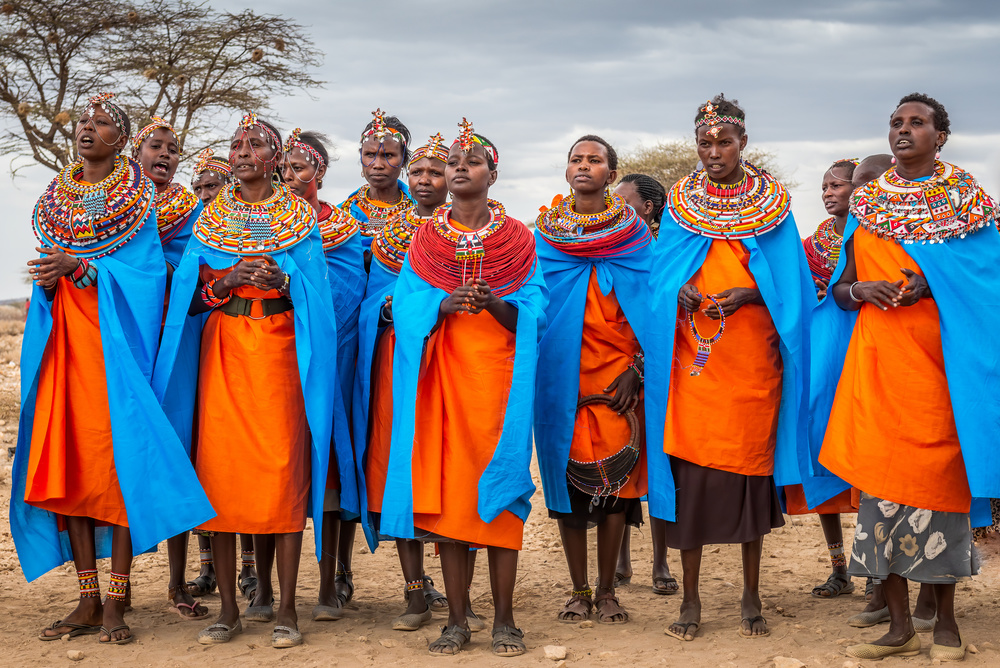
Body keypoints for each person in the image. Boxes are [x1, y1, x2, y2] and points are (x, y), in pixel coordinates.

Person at [11, 92, 212, 645]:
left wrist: (85, 267)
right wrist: (50, 279)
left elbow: (148, 279)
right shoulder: (57, 195)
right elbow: (51, 269)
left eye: (101, 124)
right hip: (62, 350)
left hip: (114, 354)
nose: (87, 129)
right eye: (83, 122)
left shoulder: (137, 200)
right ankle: (87, 598)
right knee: (70, 468)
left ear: (121, 141)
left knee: (116, 468)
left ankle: (118, 604)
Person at [819, 93, 1000, 662]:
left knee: (937, 496)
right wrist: (860, 291)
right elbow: (842, 287)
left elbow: (986, 288)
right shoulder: (868, 203)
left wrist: (933, 288)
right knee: (880, 497)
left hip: (940, 376)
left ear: (939, 136)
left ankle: (943, 622)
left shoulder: (968, 200)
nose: (902, 130)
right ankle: (898, 625)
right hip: (877, 368)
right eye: (896, 122)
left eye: (916, 123)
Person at [153, 113, 338, 649]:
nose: (241, 150)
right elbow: (187, 302)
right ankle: (230, 611)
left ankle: (285, 610)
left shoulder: (300, 220)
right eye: (236, 143)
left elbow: (318, 300)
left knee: (283, 474)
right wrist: (226, 280)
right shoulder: (209, 219)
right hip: (225, 354)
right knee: (223, 475)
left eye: (255, 143)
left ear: (276, 159)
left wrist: (287, 280)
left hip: (281, 353)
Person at [644, 95, 811, 642]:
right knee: (690, 482)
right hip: (694, 366)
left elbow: (792, 288)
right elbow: (659, 280)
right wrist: (682, 291)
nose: (713, 152)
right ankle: (690, 600)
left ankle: (751, 595)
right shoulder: (681, 204)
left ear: (743, 143)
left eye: (724, 142)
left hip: (750, 365)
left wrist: (750, 293)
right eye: (705, 143)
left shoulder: (775, 206)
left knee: (747, 482)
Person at [379, 119, 547, 657]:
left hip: (497, 384)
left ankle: (504, 620)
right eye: (453, 161)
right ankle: (455, 620)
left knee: (499, 496)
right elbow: (406, 305)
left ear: (492, 173)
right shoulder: (426, 238)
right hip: (444, 381)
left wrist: (497, 304)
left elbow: (537, 310)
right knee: (451, 501)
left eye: (471, 161)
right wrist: (442, 304)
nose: (458, 168)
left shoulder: (520, 238)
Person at [355, 133, 476, 632]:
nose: (426, 179)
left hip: (462, 360)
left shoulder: (471, 229)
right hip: (399, 363)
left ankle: (461, 597)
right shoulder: (388, 235)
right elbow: (368, 303)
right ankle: (414, 594)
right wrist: (402, 309)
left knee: (457, 470)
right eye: (418, 173)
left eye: (435, 171)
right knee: (399, 467)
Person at [534, 136, 652, 625]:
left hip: (619, 382)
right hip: (560, 378)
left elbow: (652, 308)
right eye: (576, 159)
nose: (584, 166)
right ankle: (579, 590)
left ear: (610, 173)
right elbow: (534, 307)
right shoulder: (542, 237)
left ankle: (607, 592)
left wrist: (636, 369)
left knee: (617, 492)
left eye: (595, 160)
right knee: (570, 494)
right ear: (566, 172)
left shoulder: (638, 237)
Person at [132, 115, 217, 620]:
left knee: (180, 448)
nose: (164, 155)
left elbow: (195, 275)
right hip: (125, 339)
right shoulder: (110, 205)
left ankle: (177, 580)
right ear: (136, 151)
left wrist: (151, 270)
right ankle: (107, 590)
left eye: (172, 149)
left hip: (178, 340)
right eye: (155, 146)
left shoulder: (188, 212)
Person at [280, 128, 366, 622]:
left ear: (320, 172)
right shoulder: (260, 225)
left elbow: (348, 298)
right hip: (275, 358)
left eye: (299, 168)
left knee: (332, 465)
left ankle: (333, 580)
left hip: (335, 360)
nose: (289, 178)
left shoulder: (345, 230)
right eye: (283, 170)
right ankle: (266, 589)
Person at [778, 159, 862, 601]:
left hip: (862, 358)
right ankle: (840, 567)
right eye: (825, 186)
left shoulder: (874, 237)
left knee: (866, 464)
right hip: (820, 365)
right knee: (821, 461)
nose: (829, 193)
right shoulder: (811, 247)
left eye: (838, 185)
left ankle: (879, 573)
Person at [612, 173, 674, 593]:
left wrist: (640, 366)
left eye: (624, 202)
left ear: (648, 209)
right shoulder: (610, 247)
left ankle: (661, 563)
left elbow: (663, 319)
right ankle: (620, 561)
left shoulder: (664, 251)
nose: (616, 208)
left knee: (657, 467)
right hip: (610, 369)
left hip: (656, 372)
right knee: (617, 460)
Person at [615, 173, 666, 238]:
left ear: (647, 207)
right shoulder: (606, 244)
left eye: (623, 202)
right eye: (613, 203)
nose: (614, 209)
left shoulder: (664, 246)